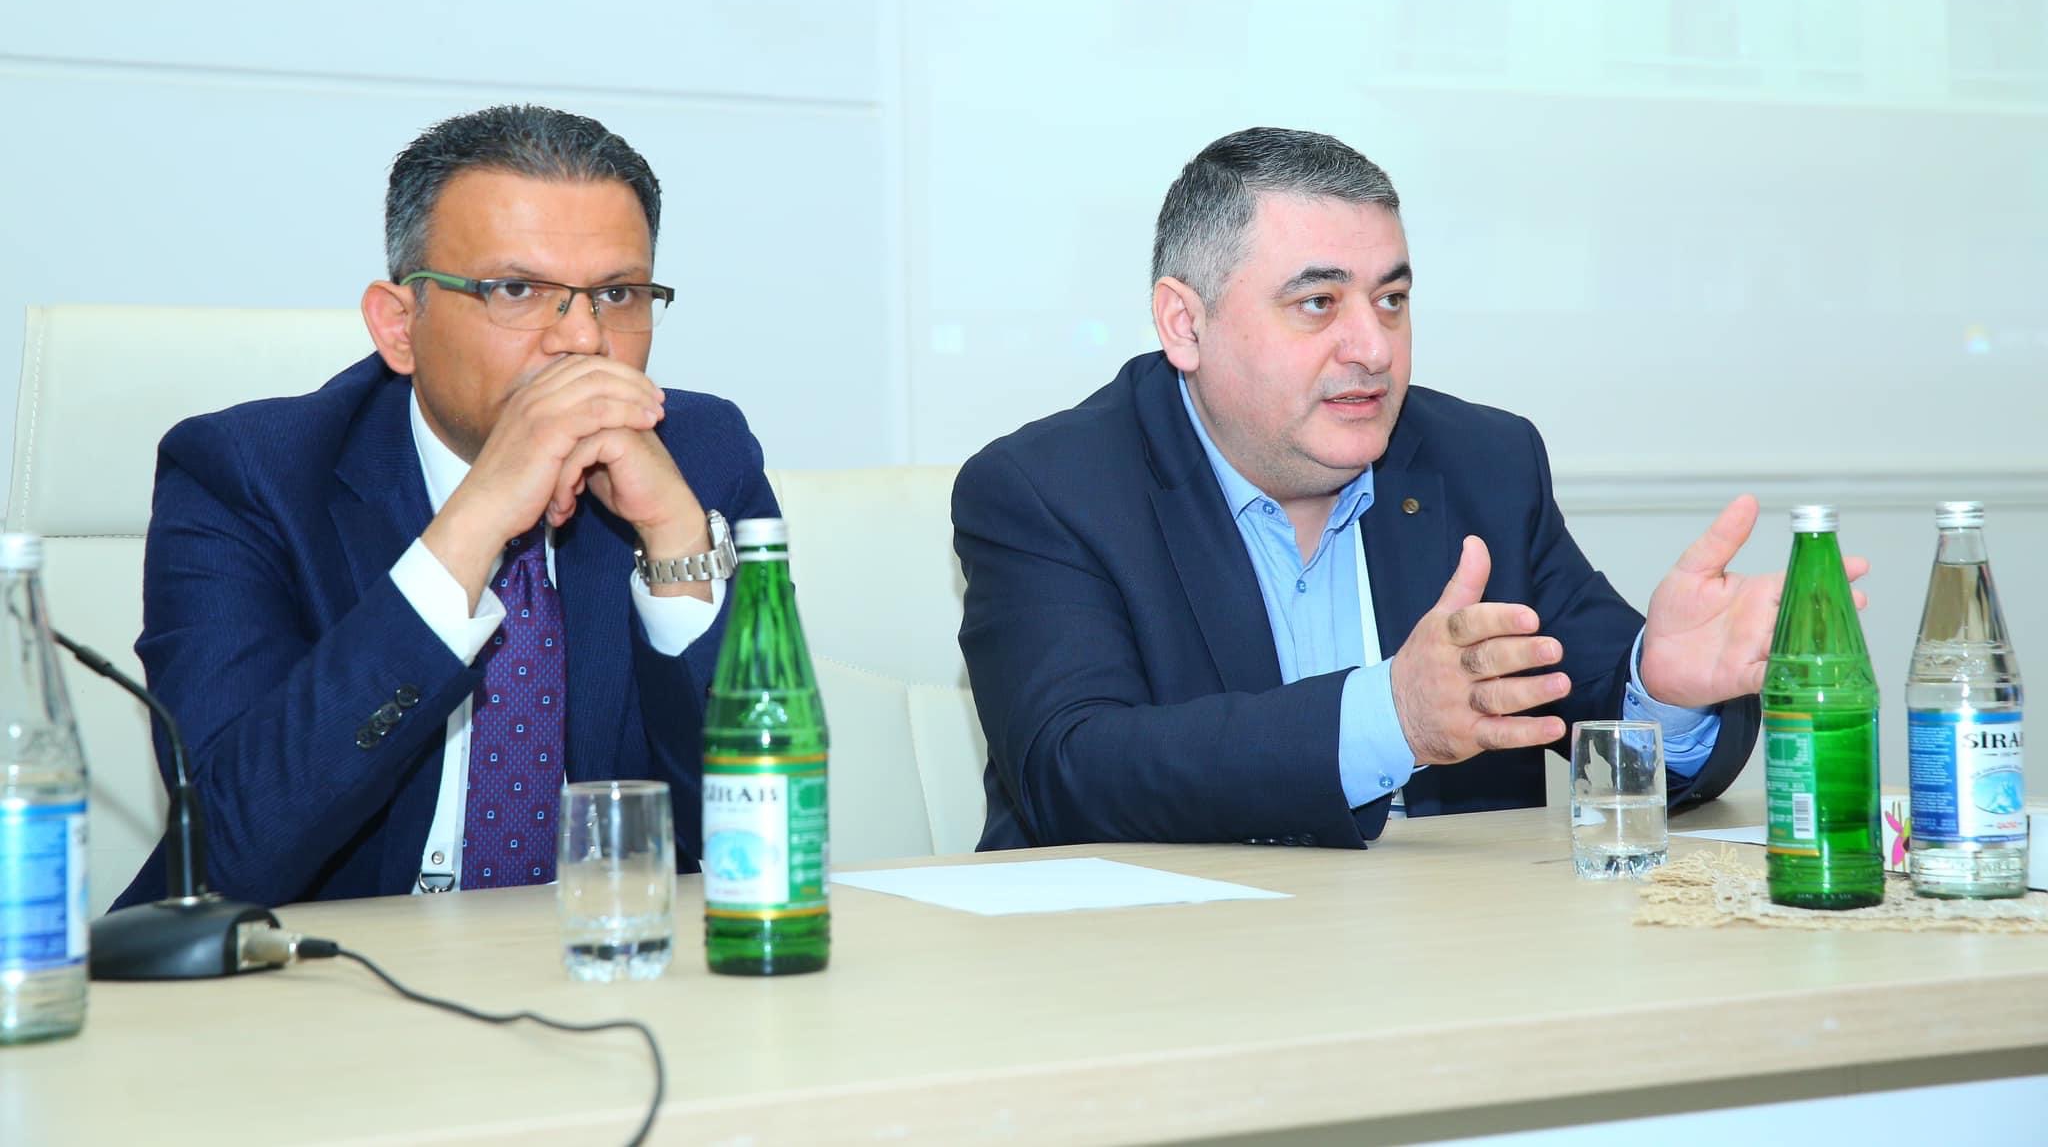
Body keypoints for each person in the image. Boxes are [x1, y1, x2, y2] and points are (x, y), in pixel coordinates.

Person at [954, 127, 1864, 851]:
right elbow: (1073, 772)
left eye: (1390, 300)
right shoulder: (1049, 491)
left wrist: (1661, 693)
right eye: (1318, 303)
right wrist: (1391, 719)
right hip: (1157, 977)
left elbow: (1611, 724)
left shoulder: (1480, 462)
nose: (1373, 348)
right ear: (1184, 324)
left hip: (1450, 969)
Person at [116, 104, 774, 908]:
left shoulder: (700, 457)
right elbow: (228, 853)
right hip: (326, 971)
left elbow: (767, 835)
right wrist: (476, 517)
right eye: (517, 289)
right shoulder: (247, 475)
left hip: (603, 959)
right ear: (399, 326)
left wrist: (674, 543)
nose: (581, 340)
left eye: (617, 293)